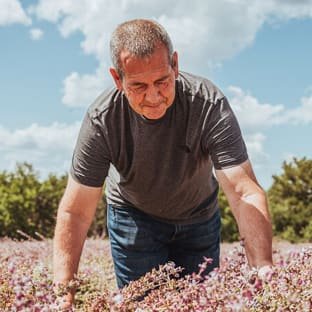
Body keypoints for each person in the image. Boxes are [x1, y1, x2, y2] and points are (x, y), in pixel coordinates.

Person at [53, 18, 273, 307]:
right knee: (145, 305)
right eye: (138, 86)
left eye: (162, 81)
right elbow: (76, 212)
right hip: (133, 218)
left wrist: (263, 270)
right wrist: (63, 296)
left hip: (199, 218)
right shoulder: (102, 120)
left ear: (175, 64)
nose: (153, 96)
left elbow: (244, 192)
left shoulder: (207, 103)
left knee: (200, 304)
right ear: (117, 79)